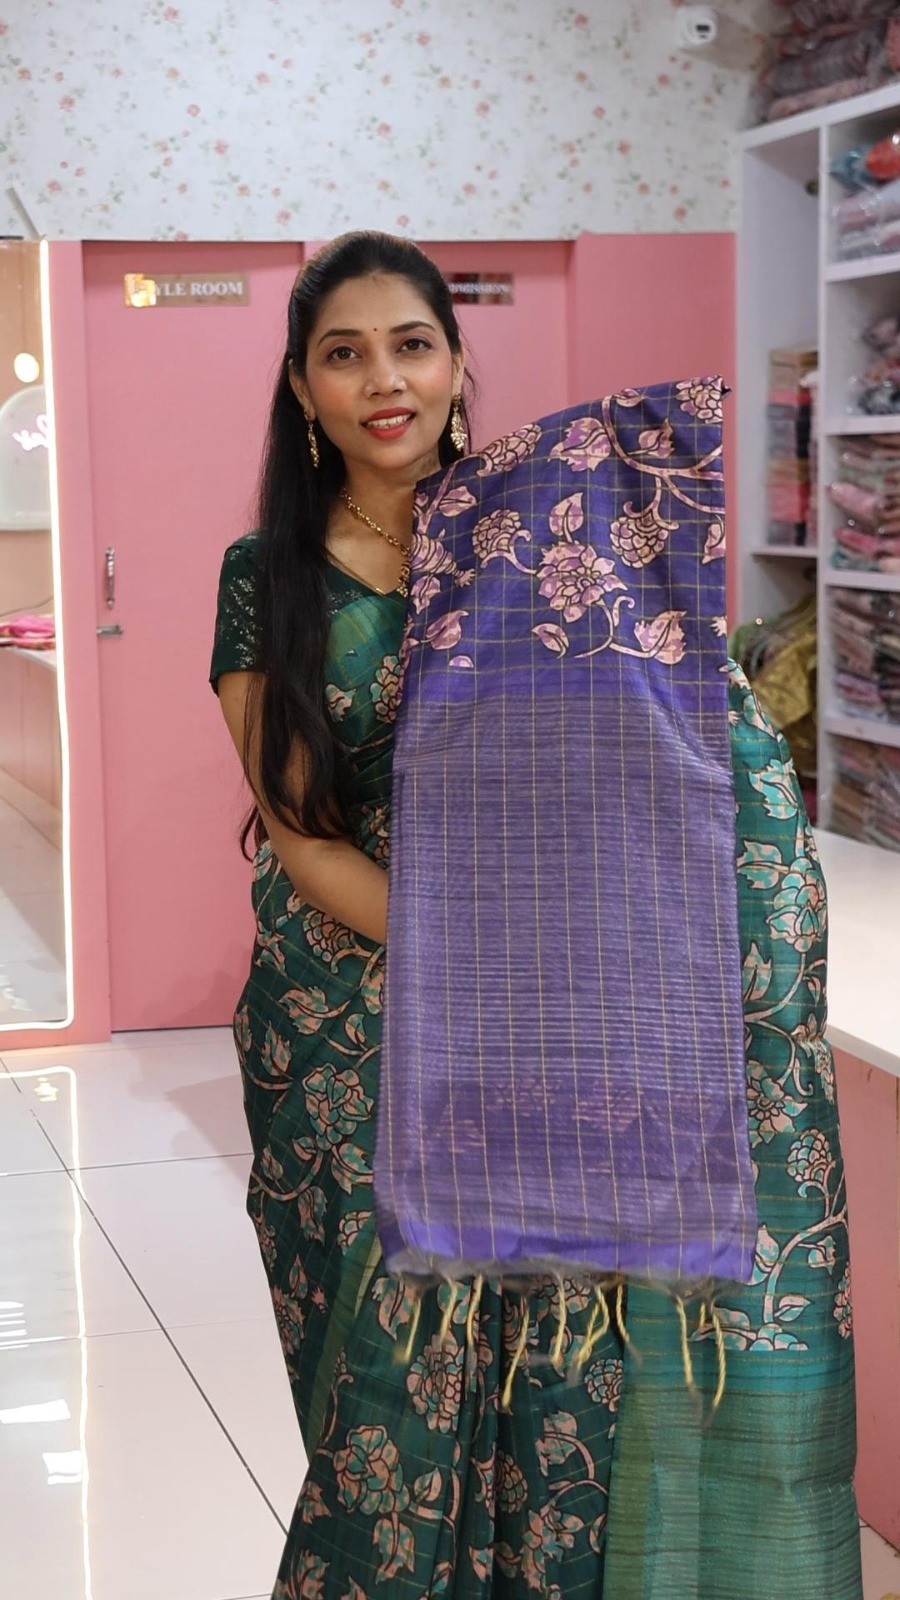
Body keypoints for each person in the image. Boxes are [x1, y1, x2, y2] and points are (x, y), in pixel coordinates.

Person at [210, 232, 861, 1599]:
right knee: (386, 1386)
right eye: (344, 354)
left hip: (557, 1026)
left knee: (566, 1381)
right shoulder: (265, 573)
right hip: (357, 1022)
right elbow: (300, 833)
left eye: (412, 345)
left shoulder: (566, 533)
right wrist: (478, 956)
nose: (384, 380)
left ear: (457, 364)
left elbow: (698, 755)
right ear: (302, 387)